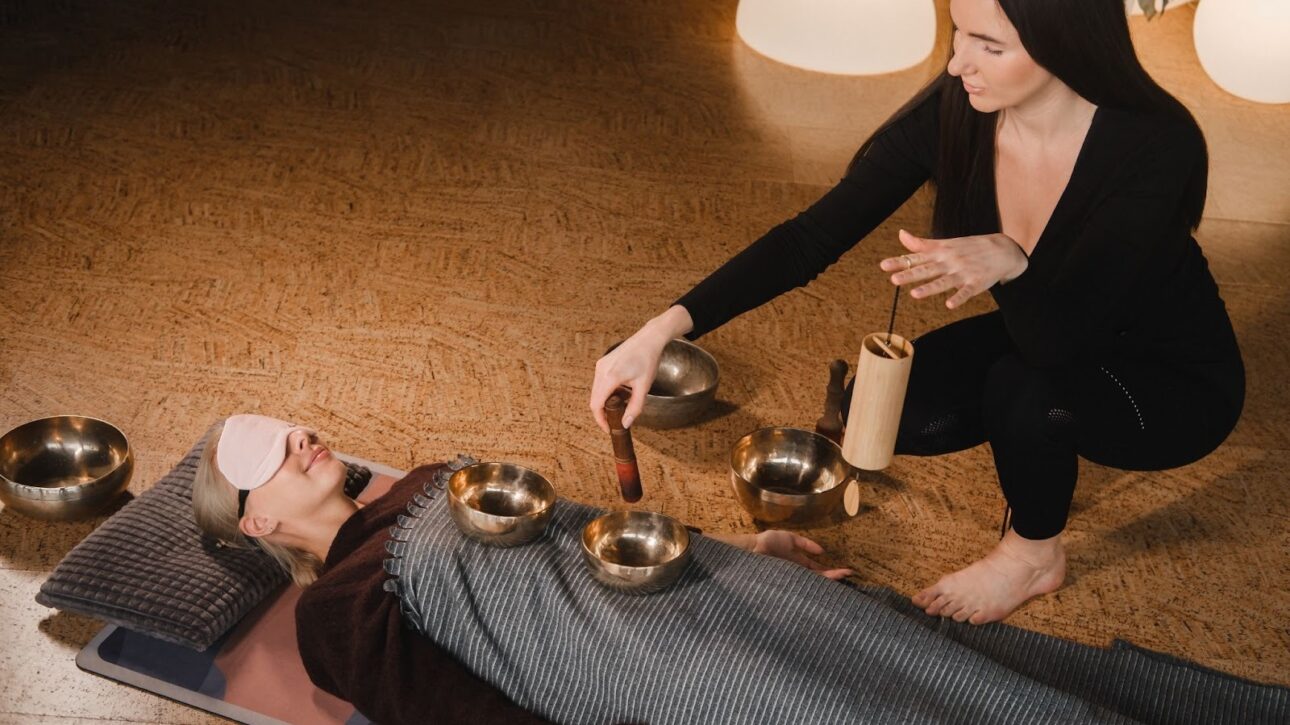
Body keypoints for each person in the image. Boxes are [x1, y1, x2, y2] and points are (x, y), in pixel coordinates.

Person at [589, 0, 1244, 626]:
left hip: (1166, 376)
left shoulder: (1153, 143)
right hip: (1042, 327)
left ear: (1064, 41)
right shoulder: (962, 108)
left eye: (989, 45)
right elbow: (808, 240)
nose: (958, 63)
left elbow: (1059, 341)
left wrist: (1014, 262)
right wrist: (661, 330)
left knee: (1027, 394)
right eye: (959, 32)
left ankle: (1033, 555)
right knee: (881, 409)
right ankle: (1037, 447)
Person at [193, 414, 1283, 725]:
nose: (298, 438)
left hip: (710, 590)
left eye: (290, 423)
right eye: (265, 455)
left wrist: (736, 551)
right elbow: (454, 709)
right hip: (652, 677)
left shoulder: (436, 475)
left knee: (949, 662)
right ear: (257, 522)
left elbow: (596, 533)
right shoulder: (335, 615)